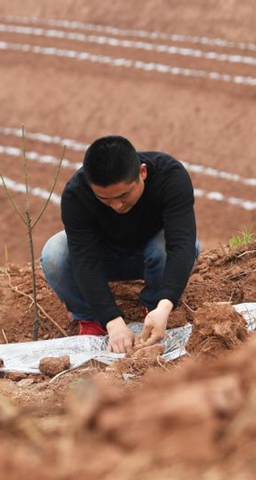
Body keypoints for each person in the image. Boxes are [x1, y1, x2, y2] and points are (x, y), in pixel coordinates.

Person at [40, 135, 199, 354]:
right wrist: (112, 322)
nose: (116, 205)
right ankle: (91, 319)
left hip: (151, 254)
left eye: (124, 195)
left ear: (142, 173)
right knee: (54, 253)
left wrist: (165, 305)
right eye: (104, 199)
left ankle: (153, 308)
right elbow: (84, 260)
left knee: (177, 245)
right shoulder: (76, 194)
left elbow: (182, 244)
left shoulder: (170, 176)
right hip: (105, 258)